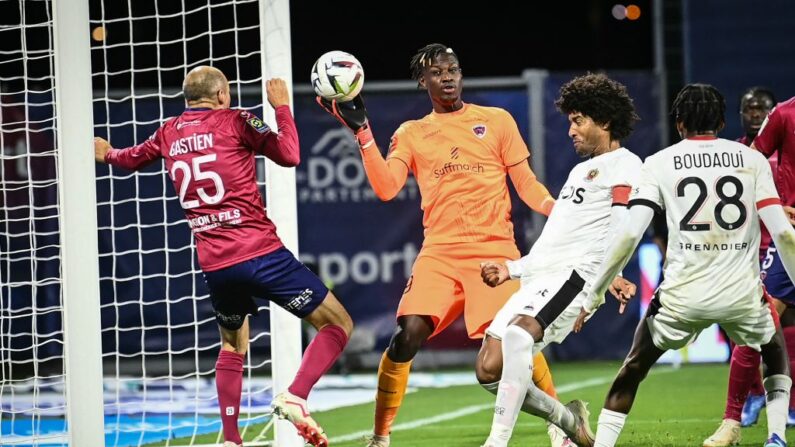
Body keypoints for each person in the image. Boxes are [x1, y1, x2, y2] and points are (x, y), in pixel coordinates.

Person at [317, 43, 571, 447]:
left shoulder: (497, 120)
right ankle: (380, 436)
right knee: (407, 335)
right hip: (441, 252)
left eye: (453, 69)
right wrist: (362, 132)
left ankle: (561, 425)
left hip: (495, 251)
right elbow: (386, 189)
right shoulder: (412, 133)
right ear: (423, 82)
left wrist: (559, 209)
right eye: (437, 72)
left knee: (514, 341)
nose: (448, 76)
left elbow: (525, 183)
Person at [94, 66, 353, 447]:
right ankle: (295, 395)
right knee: (337, 324)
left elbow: (131, 159)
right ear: (221, 95)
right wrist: (281, 108)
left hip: (216, 265)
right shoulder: (236, 120)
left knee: (232, 345)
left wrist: (107, 154)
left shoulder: (168, 132)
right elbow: (290, 154)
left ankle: (231, 439)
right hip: (262, 254)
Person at [574, 84, 794, 447]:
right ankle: (775, 436)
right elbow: (783, 235)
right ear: (722, 121)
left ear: (678, 124)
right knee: (774, 353)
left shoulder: (658, 163)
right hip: (741, 295)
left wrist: (594, 293)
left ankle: (604, 445)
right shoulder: (751, 160)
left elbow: (629, 236)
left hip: (681, 297)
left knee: (633, 367)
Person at [479, 73, 642, 447]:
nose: (571, 130)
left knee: (520, 335)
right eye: (569, 121)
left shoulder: (626, 165)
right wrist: (511, 269)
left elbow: (621, 231)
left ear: (605, 121)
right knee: (488, 369)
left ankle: (496, 442)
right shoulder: (577, 171)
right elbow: (556, 242)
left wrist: (598, 290)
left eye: (578, 120)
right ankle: (568, 419)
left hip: (575, 280)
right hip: (542, 277)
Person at [704, 86, 780, 446]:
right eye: (748, 108)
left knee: (773, 327)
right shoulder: (732, 155)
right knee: (748, 328)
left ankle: (766, 408)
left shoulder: (784, 152)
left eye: (761, 109)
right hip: (742, 251)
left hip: (779, 247)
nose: (755, 115)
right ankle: (751, 398)